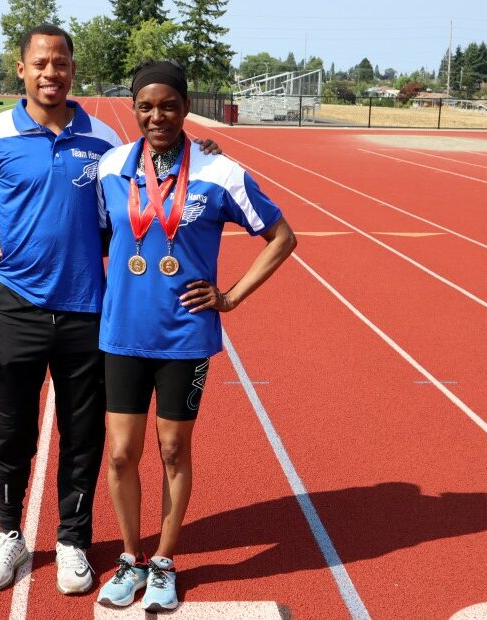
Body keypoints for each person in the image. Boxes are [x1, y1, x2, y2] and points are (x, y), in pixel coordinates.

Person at [0, 26, 220, 595]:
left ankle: (73, 538)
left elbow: (147, 187)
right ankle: (8, 533)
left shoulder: (103, 141)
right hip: (15, 308)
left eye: (61, 63)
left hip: (88, 313)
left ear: (73, 70)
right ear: (20, 69)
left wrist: (207, 149)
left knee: (83, 438)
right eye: (40, 63)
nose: (51, 72)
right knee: (9, 434)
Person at [93, 61, 297, 612]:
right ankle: (130, 558)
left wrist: (229, 296)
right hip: (122, 335)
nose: (156, 115)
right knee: (119, 455)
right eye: (145, 106)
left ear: (185, 107)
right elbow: (89, 237)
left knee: (173, 449)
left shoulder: (220, 171)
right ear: (133, 109)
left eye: (167, 105)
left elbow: (282, 237)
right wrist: (5, 250)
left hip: (185, 336)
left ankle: (163, 561)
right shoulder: (111, 167)